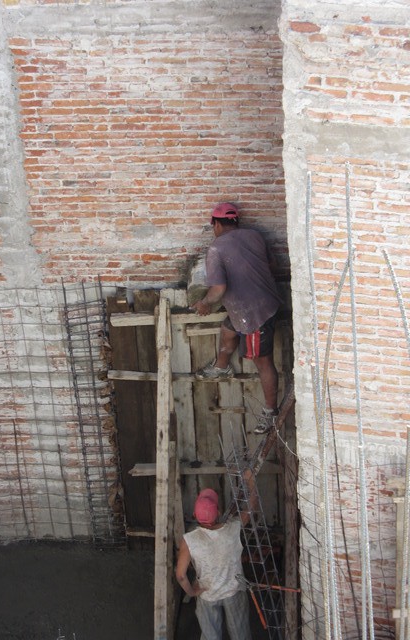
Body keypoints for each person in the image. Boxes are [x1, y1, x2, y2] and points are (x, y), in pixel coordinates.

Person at [192, 202, 281, 434]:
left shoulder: (216, 249)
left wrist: (205, 303)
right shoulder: (254, 236)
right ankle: (222, 367)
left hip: (253, 315)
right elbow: (273, 265)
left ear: (217, 224)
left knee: (263, 362)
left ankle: (271, 413)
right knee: (229, 329)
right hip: (265, 302)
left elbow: (218, 289)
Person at [175, 471, 258, 640]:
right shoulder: (233, 528)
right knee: (241, 636)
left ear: (195, 515)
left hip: (207, 595)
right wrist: (251, 484)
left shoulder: (189, 540)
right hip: (233, 591)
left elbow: (181, 575)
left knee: (210, 636)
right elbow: (250, 508)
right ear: (219, 511)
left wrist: (192, 592)